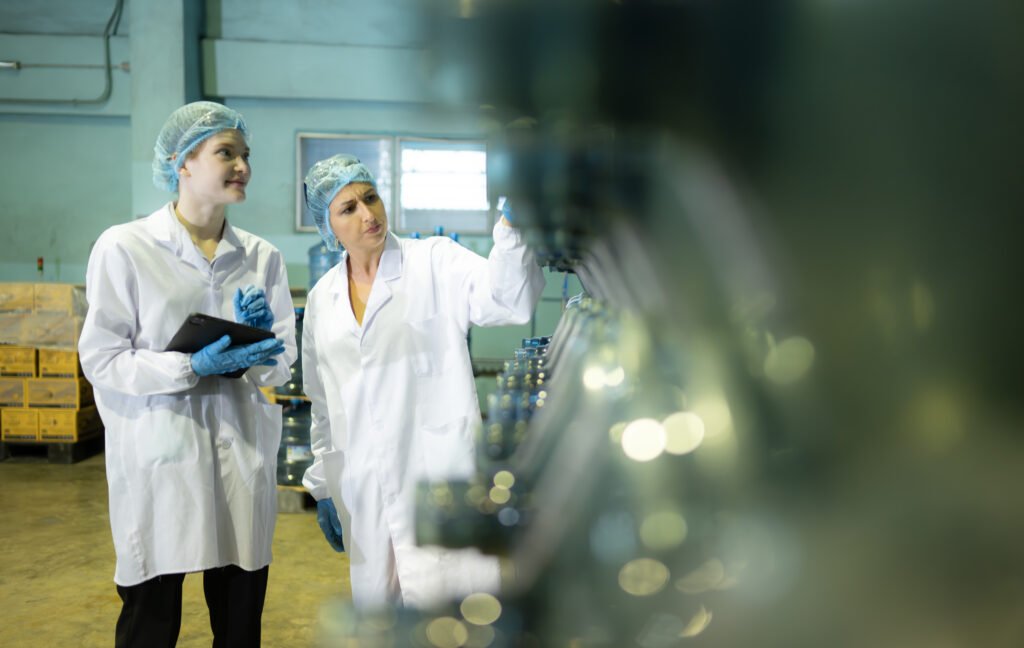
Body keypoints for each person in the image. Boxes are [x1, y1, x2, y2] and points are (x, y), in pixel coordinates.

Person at [78, 101, 297, 647]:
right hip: (161, 460)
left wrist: (260, 348)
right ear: (182, 162)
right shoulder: (125, 247)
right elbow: (102, 358)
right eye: (227, 152)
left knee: (240, 626)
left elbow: (282, 364)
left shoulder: (262, 257)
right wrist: (188, 365)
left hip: (238, 460)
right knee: (150, 626)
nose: (242, 165)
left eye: (245, 155)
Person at [300, 154, 545, 609]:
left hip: (438, 478)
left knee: (456, 617)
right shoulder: (322, 300)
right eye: (348, 208)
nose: (368, 215)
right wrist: (321, 485)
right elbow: (321, 400)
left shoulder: (434, 261)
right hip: (364, 487)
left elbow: (507, 300)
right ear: (328, 225)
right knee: (383, 621)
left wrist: (510, 227)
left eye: (370, 197)